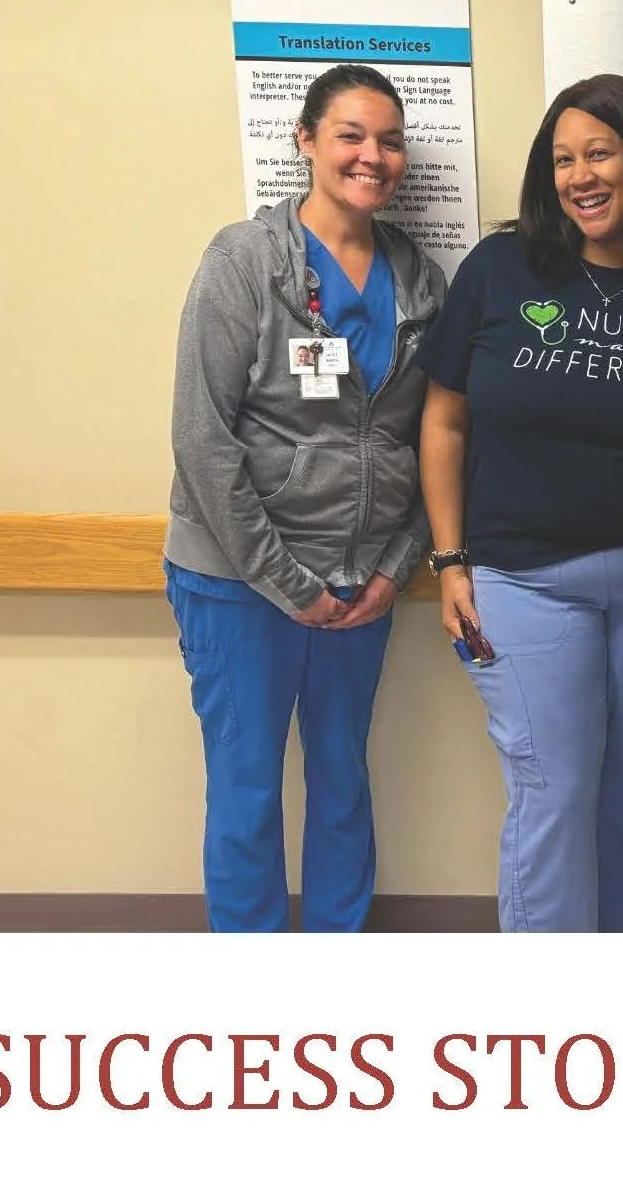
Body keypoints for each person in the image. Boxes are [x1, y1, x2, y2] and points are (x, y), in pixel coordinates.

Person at [418, 77, 623, 930]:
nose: (579, 176)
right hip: (522, 581)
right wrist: (450, 562)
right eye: (562, 160)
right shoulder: (501, 268)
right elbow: (443, 421)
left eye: (599, 153)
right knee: (552, 789)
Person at [166, 64, 443, 931]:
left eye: (389, 141)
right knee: (246, 786)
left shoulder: (420, 280)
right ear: (306, 141)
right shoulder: (245, 262)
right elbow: (202, 439)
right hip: (239, 580)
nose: (372, 156)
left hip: (361, 584)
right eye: (351, 135)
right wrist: (288, 583)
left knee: (342, 778)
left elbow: (436, 440)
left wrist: (395, 568)